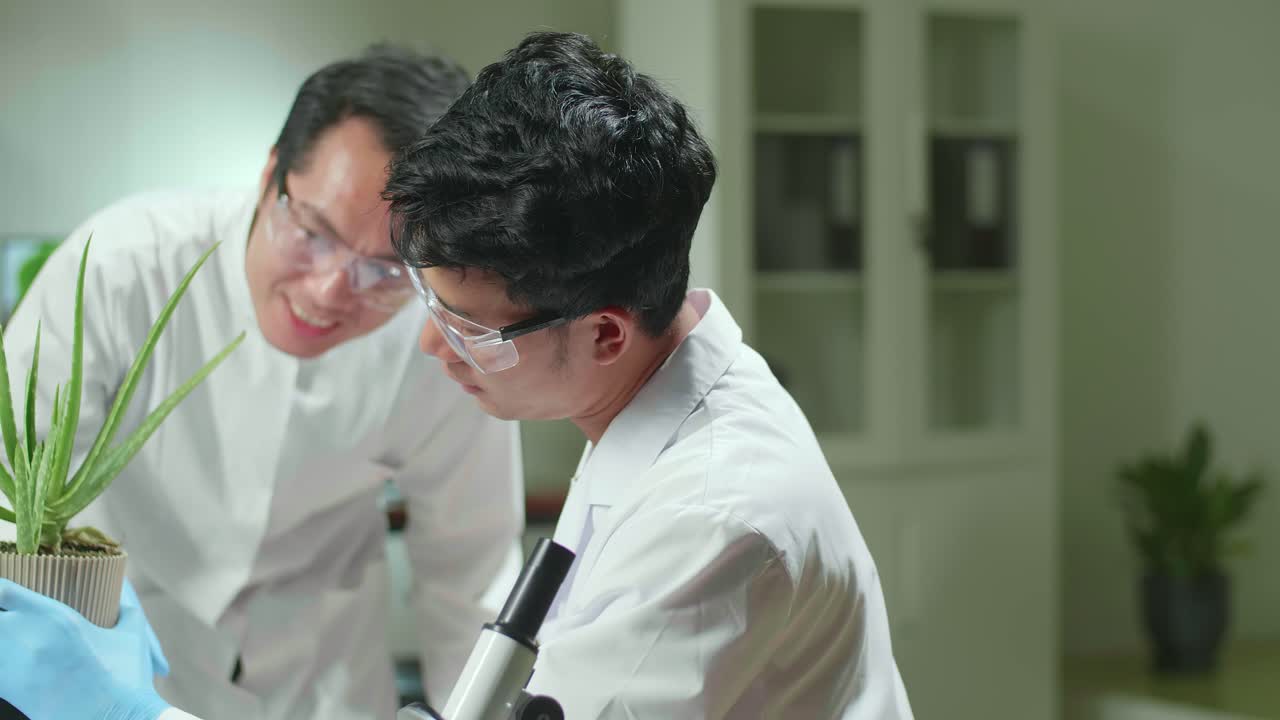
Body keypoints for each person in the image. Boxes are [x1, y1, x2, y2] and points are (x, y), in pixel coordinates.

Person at [0, 31, 912, 719]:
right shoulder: (658, 417)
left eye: (466, 329)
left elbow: (470, 582)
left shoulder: (710, 520)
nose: (434, 352)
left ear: (601, 334)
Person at [0, 45, 524, 720]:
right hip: (122, 672)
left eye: (388, 270)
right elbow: (9, 491)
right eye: (313, 232)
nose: (331, 289)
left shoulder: (438, 335)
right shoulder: (118, 267)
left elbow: (468, 574)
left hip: (321, 687)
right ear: (272, 172)